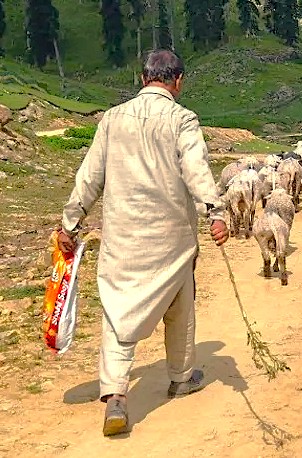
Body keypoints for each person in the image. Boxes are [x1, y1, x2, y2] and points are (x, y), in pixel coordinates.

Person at [56, 50, 229, 437]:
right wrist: (215, 212)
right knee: (180, 305)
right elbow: (196, 167)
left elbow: (90, 176)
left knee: (119, 314)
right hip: (171, 239)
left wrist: (71, 222)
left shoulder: (112, 119)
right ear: (178, 81)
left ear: (142, 78)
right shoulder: (182, 119)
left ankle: (116, 395)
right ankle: (181, 376)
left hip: (123, 239)